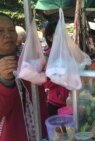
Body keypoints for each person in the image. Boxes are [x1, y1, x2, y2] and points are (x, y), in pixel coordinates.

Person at [0, 12, 36, 141]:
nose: (8, 35)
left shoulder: (30, 57)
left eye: (11, 30)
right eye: (0, 31)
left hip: (39, 130)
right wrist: (4, 82)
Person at [42, 21, 70, 116]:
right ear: (50, 38)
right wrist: (59, 77)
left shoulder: (69, 52)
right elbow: (45, 83)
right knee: (57, 130)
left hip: (71, 101)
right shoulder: (47, 56)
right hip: (55, 103)